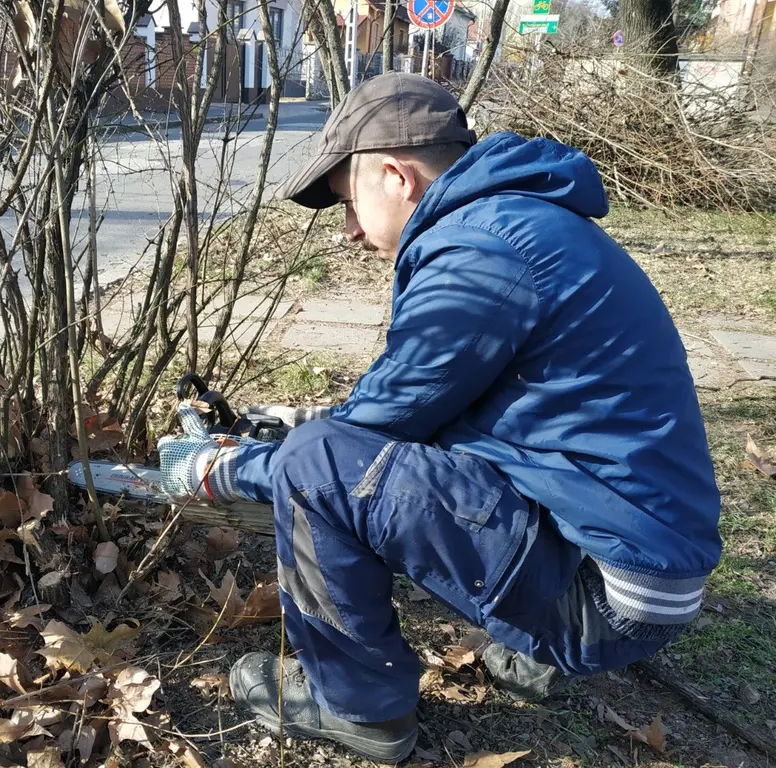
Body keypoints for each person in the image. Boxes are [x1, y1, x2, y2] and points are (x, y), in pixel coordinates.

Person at [157, 72, 722, 764]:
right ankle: (542, 647)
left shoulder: (483, 252)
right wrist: (296, 419)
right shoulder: (517, 224)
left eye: (348, 203)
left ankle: (357, 707)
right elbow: (427, 408)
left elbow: (366, 437)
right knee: (329, 450)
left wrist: (226, 468)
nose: (349, 232)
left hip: (611, 596)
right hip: (646, 568)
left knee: (313, 464)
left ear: (396, 175)